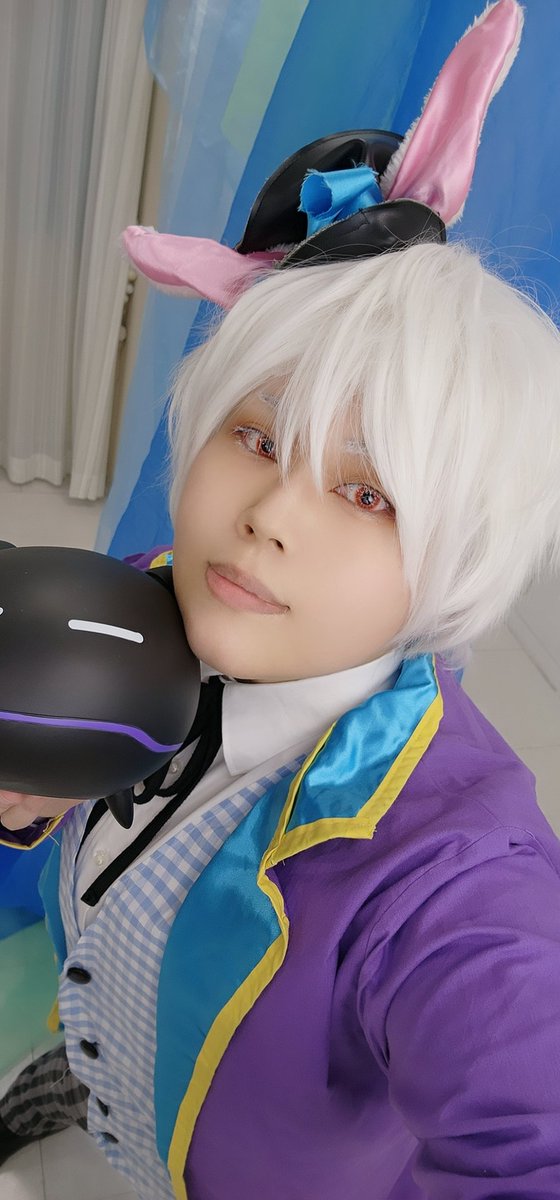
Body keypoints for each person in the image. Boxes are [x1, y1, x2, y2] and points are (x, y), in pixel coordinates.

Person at [2, 2, 560, 1197]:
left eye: (367, 495)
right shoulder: (150, 601)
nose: (269, 515)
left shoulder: (453, 872)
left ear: (453, 555)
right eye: (256, 435)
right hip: (130, 1078)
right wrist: (31, 797)